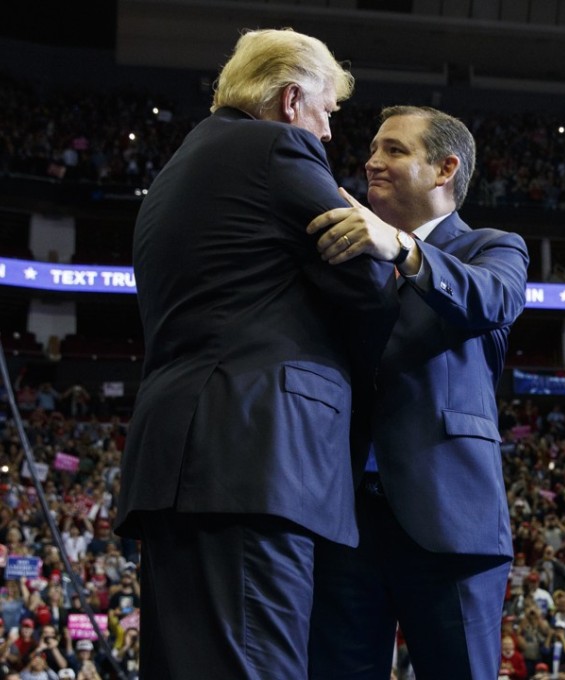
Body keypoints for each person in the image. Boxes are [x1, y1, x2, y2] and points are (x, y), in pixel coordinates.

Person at [114, 28, 400, 678]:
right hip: (252, 466)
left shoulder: (179, 167)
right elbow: (367, 280)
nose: (328, 134)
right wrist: (389, 247)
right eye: (328, 111)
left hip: (181, 469)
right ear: (292, 99)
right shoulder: (277, 148)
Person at [305, 105, 529, 678]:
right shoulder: (345, 253)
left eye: (395, 151)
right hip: (345, 523)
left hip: (450, 523)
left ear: (444, 168)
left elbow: (494, 300)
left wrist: (403, 249)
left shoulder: (493, 247)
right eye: (373, 148)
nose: (372, 161)